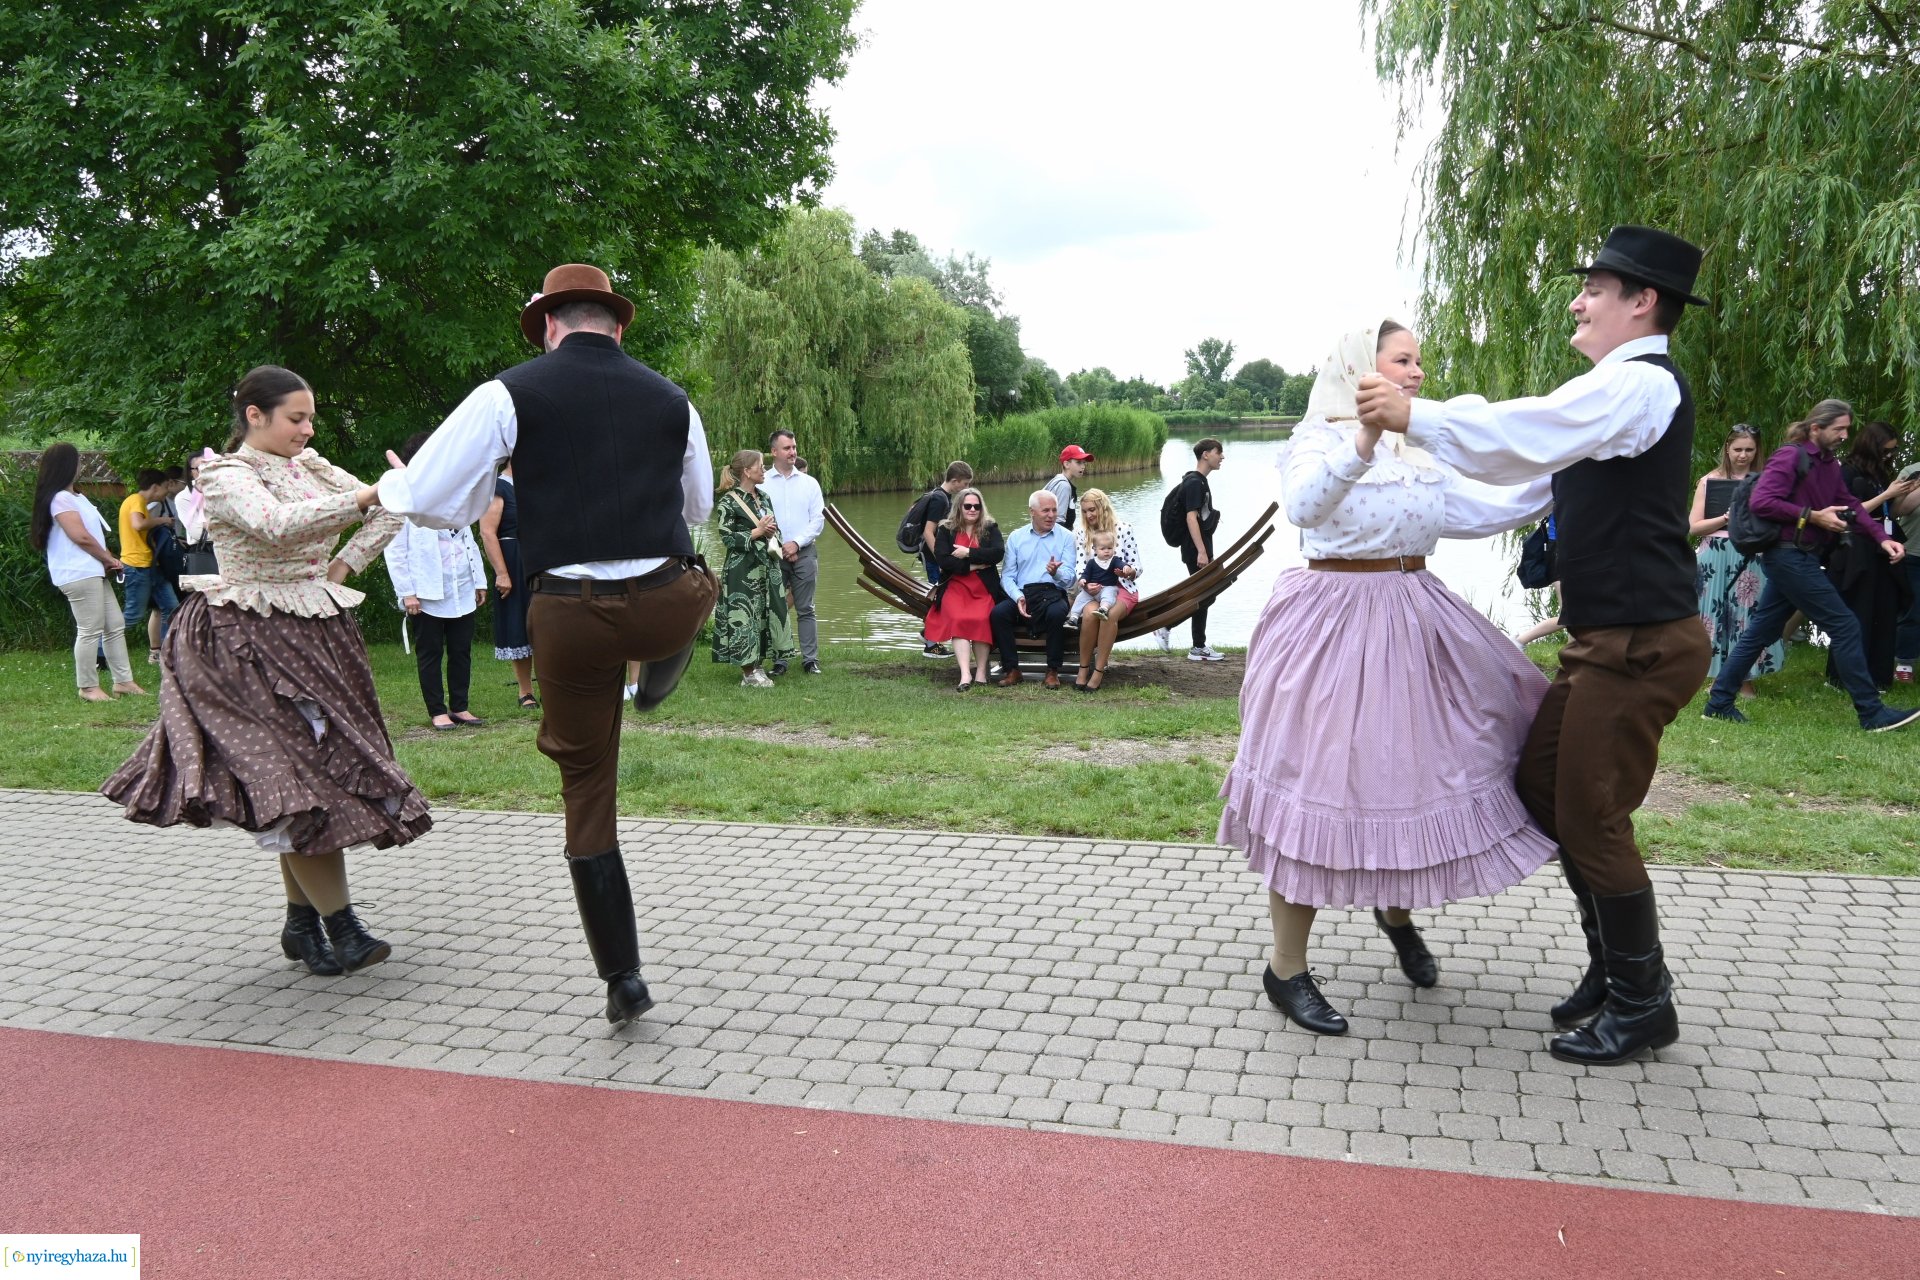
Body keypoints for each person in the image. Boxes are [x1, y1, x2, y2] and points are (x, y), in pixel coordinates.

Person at [1359, 225, 1722, 1067]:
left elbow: (1520, 433)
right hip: (1607, 640)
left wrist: (1418, 414)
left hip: (1641, 642)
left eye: (1595, 287)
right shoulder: (1605, 397)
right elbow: (1512, 479)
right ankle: (1612, 971)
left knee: (1591, 813)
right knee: (1543, 784)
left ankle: (1643, 1002)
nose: (1577, 299)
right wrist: (1380, 501)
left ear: (1643, 303)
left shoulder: (1638, 387)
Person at [374, 263, 719, 1026]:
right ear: (619, 325)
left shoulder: (509, 393)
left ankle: (623, 978)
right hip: (667, 602)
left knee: (586, 790)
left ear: (548, 324)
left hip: (570, 617)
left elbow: (431, 499)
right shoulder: (673, 398)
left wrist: (432, 483)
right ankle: (665, 662)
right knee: (701, 584)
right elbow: (699, 503)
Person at [1222, 322, 1556, 1037]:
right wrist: (1365, 440)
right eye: (1403, 361)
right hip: (1331, 623)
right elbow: (1306, 508)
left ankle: (1395, 911)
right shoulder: (1316, 439)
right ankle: (1286, 968)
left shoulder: (1419, 450)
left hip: (1413, 617)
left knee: (1413, 773)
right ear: (1358, 369)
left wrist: (1567, 469)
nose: (1419, 373)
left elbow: (1479, 512)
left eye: (1419, 361)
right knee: (1316, 788)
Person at [101, 365, 428, 977]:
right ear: (255, 415)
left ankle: (302, 926)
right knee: (296, 779)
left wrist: (341, 569)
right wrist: (367, 495)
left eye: (310, 418)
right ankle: (343, 929)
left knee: (308, 776)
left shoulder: (312, 465)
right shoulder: (226, 474)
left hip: (313, 629)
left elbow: (391, 512)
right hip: (241, 637)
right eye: (295, 418)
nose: (307, 429)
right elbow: (277, 524)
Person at [1703, 399, 1919, 731]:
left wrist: (1880, 537)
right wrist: (1811, 515)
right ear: (1816, 428)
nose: (1846, 435)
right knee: (1846, 625)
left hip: (1802, 556)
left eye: (1847, 428)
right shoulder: (1790, 456)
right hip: (1787, 556)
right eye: (1839, 429)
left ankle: (1718, 702)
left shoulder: (1829, 464)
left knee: (1762, 629)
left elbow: (1849, 504)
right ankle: (1872, 712)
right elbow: (1763, 502)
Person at [386, 431, 489, 729]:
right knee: (430, 652)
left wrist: (479, 580)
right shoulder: (404, 498)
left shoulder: (455, 494)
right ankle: (437, 710)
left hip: (462, 586)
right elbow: (395, 551)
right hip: (426, 591)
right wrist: (407, 592)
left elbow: (468, 539)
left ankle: (460, 706)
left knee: (461, 650)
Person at [31, 442, 143, 701]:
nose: (81, 465)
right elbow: (80, 536)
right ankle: (88, 687)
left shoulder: (76, 496)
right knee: (90, 629)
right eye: (77, 460)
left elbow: (88, 535)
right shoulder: (60, 498)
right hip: (78, 572)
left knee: (114, 625)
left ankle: (123, 682)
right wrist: (109, 558)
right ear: (66, 466)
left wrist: (104, 562)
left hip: (92, 570)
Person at [1690, 425, 1782, 696]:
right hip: (1715, 553)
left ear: (1757, 451)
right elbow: (1693, 527)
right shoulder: (1710, 480)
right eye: (1737, 449)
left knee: (1747, 616)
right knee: (1712, 617)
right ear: (1727, 450)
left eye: (1749, 450)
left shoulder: (1765, 481)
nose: (1743, 455)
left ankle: (1743, 678)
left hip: (1750, 554)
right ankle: (1715, 676)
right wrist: (1726, 518)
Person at [1825, 422, 1915, 691]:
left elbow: (1891, 510)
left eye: (1893, 452)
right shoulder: (1848, 470)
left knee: (1884, 608)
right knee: (1857, 609)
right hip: (1856, 544)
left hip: (1882, 543)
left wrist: (1903, 494)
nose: (1889, 456)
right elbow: (1845, 511)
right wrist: (1887, 494)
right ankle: (1842, 676)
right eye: (1886, 451)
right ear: (1872, 445)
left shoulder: (1879, 472)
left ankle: (1878, 675)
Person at [712, 448, 797, 687]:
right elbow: (727, 538)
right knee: (745, 617)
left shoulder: (764, 497)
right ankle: (748, 673)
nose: (765, 470)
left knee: (763, 614)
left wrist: (772, 532)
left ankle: (758, 665)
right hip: (742, 569)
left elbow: (775, 529)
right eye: (761, 466)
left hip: (767, 565)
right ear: (747, 471)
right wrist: (758, 531)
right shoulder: (728, 501)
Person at [990, 491, 1077, 687]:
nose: (1051, 515)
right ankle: (1012, 669)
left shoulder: (1066, 537)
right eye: (1046, 510)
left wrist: (1056, 573)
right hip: (1024, 593)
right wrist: (1018, 597)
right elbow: (1008, 577)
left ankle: (1052, 671)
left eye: (1054, 510)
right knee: (998, 614)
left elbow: (1070, 579)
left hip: (1053, 593)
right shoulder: (1016, 537)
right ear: (1032, 512)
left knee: (1056, 613)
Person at [924, 487, 1004, 690]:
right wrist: (974, 565)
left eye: (976, 506)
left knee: (981, 619)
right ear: (959, 507)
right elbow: (944, 560)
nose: (972, 509)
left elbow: (997, 554)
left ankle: (981, 673)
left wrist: (968, 552)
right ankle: (965, 674)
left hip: (983, 587)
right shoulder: (946, 529)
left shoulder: (990, 527)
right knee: (959, 619)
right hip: (955, 585)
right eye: (967, 506)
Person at [1154, 438, 1226, 661]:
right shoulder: (1195, 483)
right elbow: (1191, 518)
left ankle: (1198, 645)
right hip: (1195, 549)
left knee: (1205, 593)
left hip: (1198, 547)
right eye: (1218, 452)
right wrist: (1201, 552)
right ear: (1206, 454)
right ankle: (1167, 626)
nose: (1222, 457)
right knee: (1205, 593)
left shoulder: (1199, 481)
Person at [763, 428, 825, 676]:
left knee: (806, 608)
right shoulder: (763, 483)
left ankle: (810, 660)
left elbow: (818, 520)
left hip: (804, 553)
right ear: (774, 451)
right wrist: (781, 546)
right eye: (787, 448)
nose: (793, 452)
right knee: (777, 607)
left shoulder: (809, 483)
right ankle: (781, 660)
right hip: (773, 553)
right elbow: (760, 519)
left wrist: (796, 544)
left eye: (794, 447)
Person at [477, 461, 537, 708]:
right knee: (519, 622)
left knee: (547, 624)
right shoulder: (498, 487)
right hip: (513, 561)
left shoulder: (535, 485)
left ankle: (553, 688)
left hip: (540, 560)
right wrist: (502, 573)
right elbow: (487, 532)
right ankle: (526, 691)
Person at [1072, 488, 1144, 692]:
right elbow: (1079, 565)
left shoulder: (1123, 529)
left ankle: (1099, 671)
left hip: (1122, 588)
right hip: (1094, 589)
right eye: (1085, 511)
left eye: (1092, 510)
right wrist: (1085, 583)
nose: (1089, 515)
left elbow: (1137, 565)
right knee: (1088, 615)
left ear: (1103, 507)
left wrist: (1128, 571)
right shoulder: (1081, 533)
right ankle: (1083, 668)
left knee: (1108, 615)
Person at [117, 468, 180, 666]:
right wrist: (161, 520)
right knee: (133, 614)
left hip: (151, 565)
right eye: (164, 488)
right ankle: (100, 652)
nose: (166, 492)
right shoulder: (136, 500)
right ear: (154, 487)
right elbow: (137, 524)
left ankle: (167, 653)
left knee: (172, 607)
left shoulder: (139, 502)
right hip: (137, 566)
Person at [918, 461, 973, 658]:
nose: (966, 489)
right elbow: (928, 531)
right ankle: (931, 644)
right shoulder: (940, 499)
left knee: (941, 594)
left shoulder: (941, 496)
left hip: (935, 556)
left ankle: (929, 636)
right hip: (933, 557)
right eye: (965, 484)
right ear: (955, 481)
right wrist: (941, 559)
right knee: (939, 596)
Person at [1067, 529, 1125, 627]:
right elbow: (1086, 574)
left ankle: (1103, 609)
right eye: (1103, 549)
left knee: (1109, 594)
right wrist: (1083, 580)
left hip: (1107, 587)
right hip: (1093, 589)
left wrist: (1125, 568)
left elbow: (1122, 564)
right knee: (1080, 598)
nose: (1106, 551)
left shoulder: (1114, 560)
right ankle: (1074, 618)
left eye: (1109, 548)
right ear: (1095, 549)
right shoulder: (1092, 562)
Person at [1046, 445, 1091, 532]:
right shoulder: (1064, 486)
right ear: (1066, 464)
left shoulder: (1057, 480)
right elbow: (1058, 521)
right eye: (1078, 462)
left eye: (1084, 462)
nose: (1083, 466)